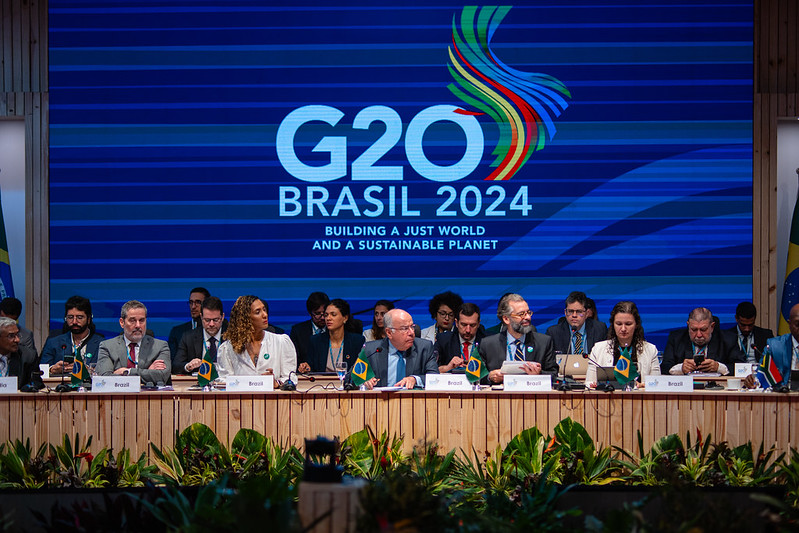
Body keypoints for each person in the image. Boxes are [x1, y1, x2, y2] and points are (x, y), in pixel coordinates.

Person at [478, 294, 557, 384]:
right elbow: (473, 376)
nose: (527, 317)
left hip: (532, 395)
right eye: (521, 314)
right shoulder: (488, 344)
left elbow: (554, 375)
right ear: (506, 319)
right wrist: (490, 377)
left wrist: (539, 375)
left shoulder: (544, 342)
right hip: (500, 396)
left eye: (528, 312)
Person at [218, 295, 296, 383]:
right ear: (245, 319)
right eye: (258, 312)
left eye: (264, 310)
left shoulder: (281, 342)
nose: (265, 315)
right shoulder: (228, 348)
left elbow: (291, 378)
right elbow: (224, 381)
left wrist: (276, 383)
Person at [356, 309, 438, 389]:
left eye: (412, 327)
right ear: (389, 332)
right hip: (380, 401)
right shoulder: (371, 350)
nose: (411, 333)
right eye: (405, 329)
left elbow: (435, 378)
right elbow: (350, 378)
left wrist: (415, 379)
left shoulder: (424, 348)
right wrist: (363, 380)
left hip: (412, 401)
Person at [585, 301, 660, 387]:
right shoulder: (598, 349)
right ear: (613, 325)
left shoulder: (651, 350)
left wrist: (645, 385)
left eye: (628, 324)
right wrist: (594, 386)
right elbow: (588, 383)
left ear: (636, 325)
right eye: (619, 324)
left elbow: (657, 384)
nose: (623, 329)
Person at [96, 300, 171, 384]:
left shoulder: (160, 346)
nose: (138, 325)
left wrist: (127, 372)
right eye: (132, 320)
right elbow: (104, 379)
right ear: (122, 322)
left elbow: (162, 376)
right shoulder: (107, 346)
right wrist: (146, 372)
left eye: (142, 320)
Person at [661, 307, 743, 375]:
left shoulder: (728, 339)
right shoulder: (676, 339)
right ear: (688, 325)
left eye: (703, 329)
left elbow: (742, 368)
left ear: (712, 326)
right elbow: (664, 368)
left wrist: (719, 367)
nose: (699, 335)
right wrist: (681, 368)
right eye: (694, 329)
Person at [40, 296, 104, 375]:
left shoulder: (102, 344)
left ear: (89, 319)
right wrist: (51, 370)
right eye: (70, 317)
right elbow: (40, 371)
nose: (74, 322)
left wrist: (88, 370)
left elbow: (106, 373)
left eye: (79, 317)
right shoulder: (53, 343)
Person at [300, 299, 365, 373]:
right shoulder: (315, 341)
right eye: (326, 315)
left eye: (333, 315)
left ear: (345, 318)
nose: (328, 318)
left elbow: (361, 371)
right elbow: (311, 368)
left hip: (347, 383)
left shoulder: (357, 341)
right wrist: (306, 368)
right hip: (322, 384)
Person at [744, 302, 798, 389]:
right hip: (783, 397)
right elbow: (759, 378)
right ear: (789, 324)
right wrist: (752, 381)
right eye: (798, 324)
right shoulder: (775, 346)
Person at [173, 296, 226, 374]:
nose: (211, 324)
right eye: (207, 320)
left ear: (222, 317)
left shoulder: (232, 337)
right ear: (201, 317)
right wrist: (188, 366)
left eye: (215, 320)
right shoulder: (188, 337)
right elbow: (175, 366)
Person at [546, 291, 607, 356]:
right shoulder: (553, 333)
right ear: (565, 312)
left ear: (586, 313)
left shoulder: (600, 329)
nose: (574, 315)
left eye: (579, 312)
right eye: (570, 311)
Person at [436, 303, 486, 372]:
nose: (468, 330)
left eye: (472, 325)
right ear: (456, 323)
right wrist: (448, 367)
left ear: (478, 324)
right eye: (464, 325)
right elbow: (431, 370)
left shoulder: (489, 341)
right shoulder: (443, 340)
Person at [167, 287, 210, 359]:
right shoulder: (177, 332)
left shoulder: (218, 329)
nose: (193, 306)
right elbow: (173, 363)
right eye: (191, 302)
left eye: (198, 302)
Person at [289, 291, 330, 367]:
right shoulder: (298, 331)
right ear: (310, 313)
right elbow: (293, 360)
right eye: (317, 314)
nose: (323, 318)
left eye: (325, 313)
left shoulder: (334, 329)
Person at [0, 316, 38, 389]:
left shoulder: (28, 356)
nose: (17, 340)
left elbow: (37, 383)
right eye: (11, 336)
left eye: (17, 335)